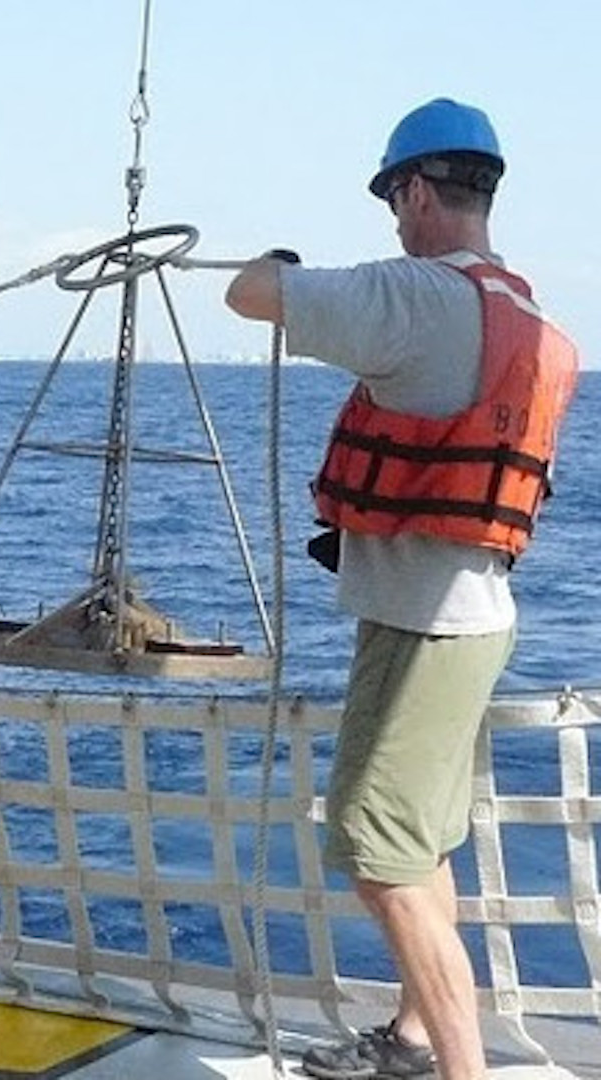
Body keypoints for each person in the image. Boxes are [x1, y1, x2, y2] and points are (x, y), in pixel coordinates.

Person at [226, 100, 578, 1080]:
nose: (394, 220)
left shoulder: (417, 297)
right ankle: (414, 1038)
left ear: (418, 191)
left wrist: (281, 262)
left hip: (428, 628)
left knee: (378, 849)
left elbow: (253, 294)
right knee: (422, 842)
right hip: (467, 618)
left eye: (394, 200)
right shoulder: (525, 310)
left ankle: (460, 1071)